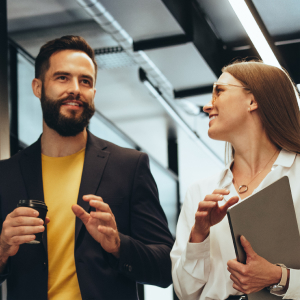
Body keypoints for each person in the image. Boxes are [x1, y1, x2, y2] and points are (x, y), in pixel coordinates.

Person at [0, 35, 174, 300]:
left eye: (85, 81)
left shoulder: (128, 166)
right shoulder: (6, 175)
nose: (75, 89)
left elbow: (166, 266)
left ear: (94, 92)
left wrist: (118, 245)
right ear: (38, 87)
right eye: (62, 78)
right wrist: (2, 247)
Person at [171, 60, 300, 300]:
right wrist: (198, 236)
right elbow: (184, 291)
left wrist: (279, 277)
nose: (208, 106)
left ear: (252, 100)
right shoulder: (201, 193)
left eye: (219, 91)